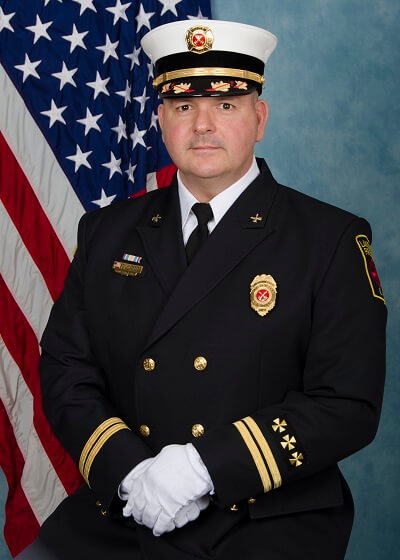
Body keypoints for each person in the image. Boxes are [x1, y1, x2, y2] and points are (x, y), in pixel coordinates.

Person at [16, 18, 386, 560]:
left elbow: (348, 403)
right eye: (185, 107)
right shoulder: (108, 232)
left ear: (259, 119)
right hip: (128, 509)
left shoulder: (330, 239)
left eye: (227, 105)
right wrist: (130, 472)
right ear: (162, 120)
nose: (203, 125)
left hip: (265, 517)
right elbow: (66, 368)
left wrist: (202, 467)